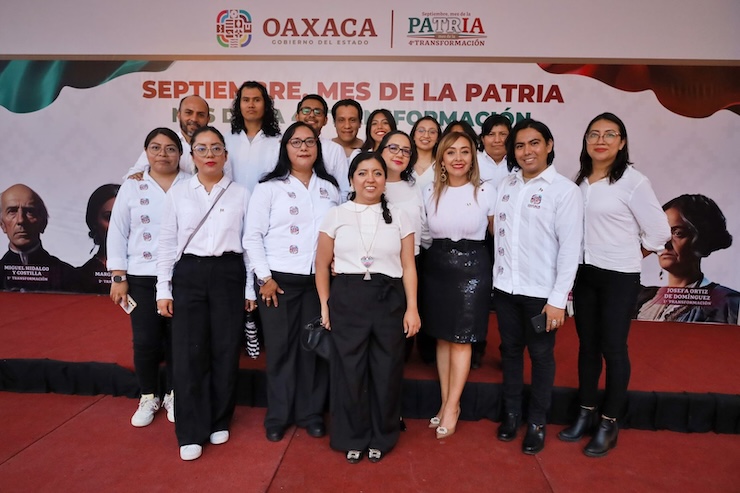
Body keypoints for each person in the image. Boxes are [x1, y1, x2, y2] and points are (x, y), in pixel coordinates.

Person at [558, 113, 671, 457]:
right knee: (587, 347)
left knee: (613, 348)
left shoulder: (633, 182)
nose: (601, 140)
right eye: (594, 134)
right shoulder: (580, 181)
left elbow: (660, 232)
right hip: (586, 274)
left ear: (622, 143)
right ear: (586, 141)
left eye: (610, 134)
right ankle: (586, 412)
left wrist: (633, 254)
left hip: (619, 276)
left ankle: (609, 422)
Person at [156, 126, 254, 461]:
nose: (209, 154)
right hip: (189, 273)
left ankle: (219, 418)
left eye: (215, 148)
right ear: (192, 155)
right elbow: (166, 243)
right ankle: (190, 430)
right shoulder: (179, 193)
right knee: (188, 352)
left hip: (228, 272)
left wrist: (249, 287)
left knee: (225, 349)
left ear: (226, 155)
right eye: (201, 148)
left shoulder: (241, 193)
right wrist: (163, 288)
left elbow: (249, 244)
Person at [315, 152, 420, 464]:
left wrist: (412, 308)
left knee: (387, 370)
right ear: (351, 180)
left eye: (377, 173)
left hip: (389, 298)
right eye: (362, 173)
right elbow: (321, 265)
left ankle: (382, 436)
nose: (370, 179)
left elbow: (409, 266)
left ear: (385, 180)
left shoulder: (400, 216)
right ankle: (352, 436)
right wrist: (324, 305)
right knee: (349, 371)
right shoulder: (336, 215)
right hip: (347, 297)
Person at [245, 122, 341, 443]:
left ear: (318, 147)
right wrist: (264, 277)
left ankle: (310, 414)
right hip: (278, 284)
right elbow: (252, 236)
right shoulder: (269, 187)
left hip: (317, 283)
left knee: (313, 348)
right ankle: (278, 415)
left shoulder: (329, 188)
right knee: (281, 350)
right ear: (285, 148)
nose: (303, 147)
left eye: (309, 142)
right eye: (296, 142)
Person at [492, 119, 583, 455]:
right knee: (510, 352)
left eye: (534, 143)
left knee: (542, 356)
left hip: (542, 295)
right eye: (519, 145)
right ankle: (512, 414)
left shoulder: (564, 190)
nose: (526, 151)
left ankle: (537, 422)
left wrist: (558, 300)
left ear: (548, 145)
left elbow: (570, 250)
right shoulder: (506, 184)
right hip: (505, 289)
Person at [108, 128, 191, 428]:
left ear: (180, 154)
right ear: (146, 153)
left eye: (170, 149)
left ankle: (174, 394)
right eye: (155, 148)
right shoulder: (133, 186)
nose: (163, 154)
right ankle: (148, 395)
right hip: (142, 275)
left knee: (178, 339)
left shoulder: (191, 183)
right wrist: (118, 277)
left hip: (181, 275)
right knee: (145, 339)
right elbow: (118, 230)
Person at [421, 131, 496, 440]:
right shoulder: (428, 191)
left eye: (465, 151)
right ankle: (444, 401)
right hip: (437, 268)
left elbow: (499, 235)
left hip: (473, 268)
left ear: (473, 158)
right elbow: (424, 234)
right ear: (441, 158)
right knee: (442, 338)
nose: (458, 158)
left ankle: (453, 407)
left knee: (462, 340)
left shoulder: (486, 191)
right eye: (451, 152)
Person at [636, 194, 739, 325]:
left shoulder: (727, 302)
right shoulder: (642, 298)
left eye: (678, 233)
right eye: (662, 233)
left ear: (701, 239)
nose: (666, 244)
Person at [1, 184, 76, 292]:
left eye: (30, 212)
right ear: (2, 224)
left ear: (43, 223)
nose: (21, 220)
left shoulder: (68, 276)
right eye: (12, 211)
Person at [125, 95, 210, 177]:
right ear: (179, 115)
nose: (194, 119)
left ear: (208, 119)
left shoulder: (215, 146)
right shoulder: (165, 143)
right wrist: (142, 176)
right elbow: (132, 176)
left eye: (201, 115)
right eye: (188, 113)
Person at [225, 81, 281, 192]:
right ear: (239, 105)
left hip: (267, 200)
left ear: (265, 105)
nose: (251, 105)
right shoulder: (226, 139)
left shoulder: (279, 141)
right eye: (246, 100)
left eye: (257, 100)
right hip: (232, 200)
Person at [295, 94, 351, 198]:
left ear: (325, 120)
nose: (312, 115)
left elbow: (344, 190)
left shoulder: (335, 150)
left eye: (318, 112)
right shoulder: (283, 146)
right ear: (297, 116)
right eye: (306, 110)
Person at [77, 184, 120, 294]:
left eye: (126, 217)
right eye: (109, 217)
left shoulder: (153, 272)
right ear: (94, 222)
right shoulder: (78, 277)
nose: (118, 226)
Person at [478, 114, 512, 188]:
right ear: (483, 139)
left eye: (503, 134)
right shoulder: (473, 162)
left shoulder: (519, 162)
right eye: (491, 134)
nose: (497, 140)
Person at [410, 116, 441, 191]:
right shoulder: (404, 164)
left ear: (437, 138)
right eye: (421, 130)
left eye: (432, 132)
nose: (426, 135)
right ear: (413, 135)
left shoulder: (442, 166)